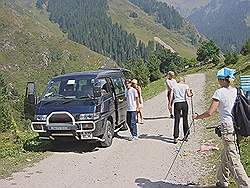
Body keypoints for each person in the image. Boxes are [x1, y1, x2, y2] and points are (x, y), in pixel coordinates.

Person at [192, 67, 250, 188]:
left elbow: (210, 113)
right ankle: (222, 181)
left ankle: (245, 185)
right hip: (238, 127)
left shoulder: (219, 92)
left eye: (219, 79)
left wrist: (197, 117)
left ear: (224, 80)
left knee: (233, 159)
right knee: (226, 154)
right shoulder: (238, 91)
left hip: (228, 128)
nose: (218, 81)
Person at [169, 77, 193, 144]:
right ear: (183, 81)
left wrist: (170, 104)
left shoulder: (174, 86)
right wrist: (191, 93)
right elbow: (189, 95)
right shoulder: (185, 86)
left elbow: (171, 96)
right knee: (185, 119)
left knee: (177, 120)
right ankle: (186, 135)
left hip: (177, 103)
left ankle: (175, 137)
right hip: (184, 103)